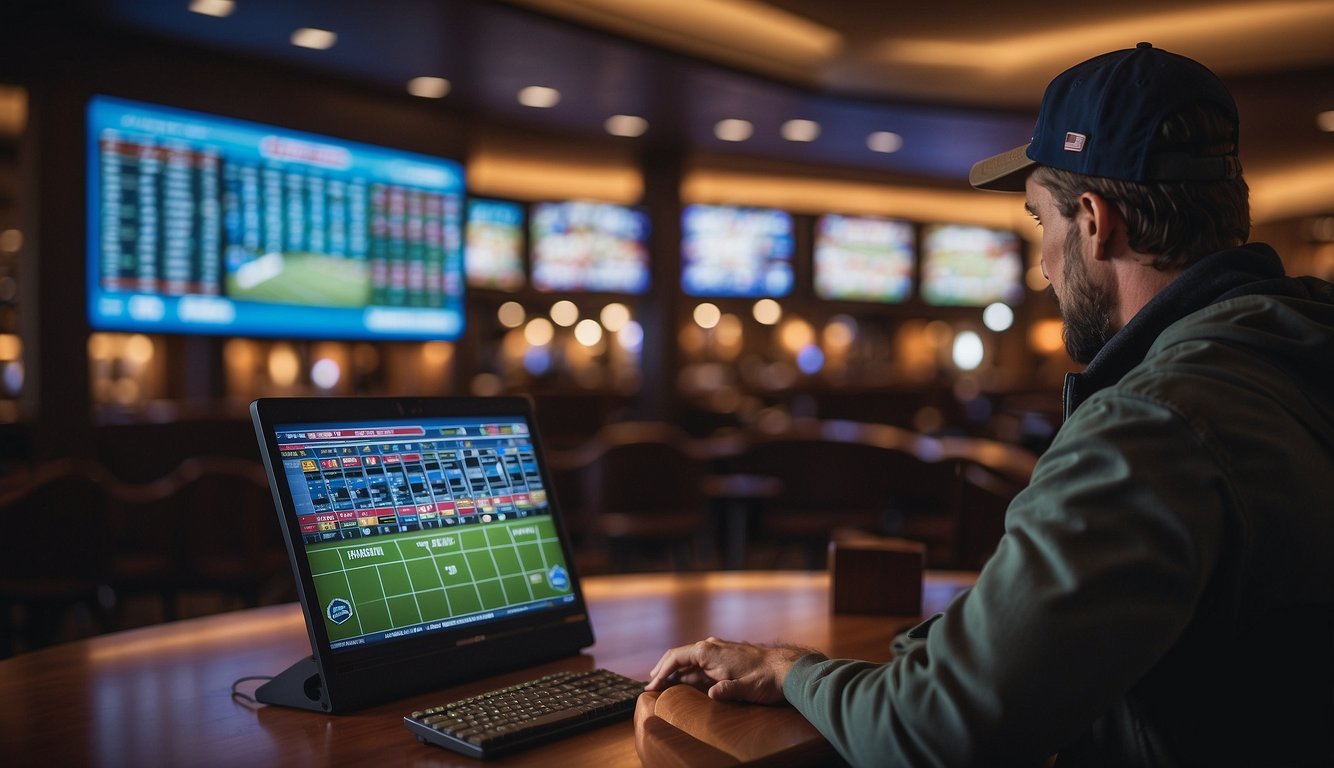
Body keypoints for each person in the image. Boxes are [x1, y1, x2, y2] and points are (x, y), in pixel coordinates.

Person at [646, 43, 1334, 767]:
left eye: (1042, 223)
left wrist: (792, 669)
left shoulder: (1153, 424)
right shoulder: (1293, 357)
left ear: (1096, 223)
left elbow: (935, 733)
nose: (1042, 266)